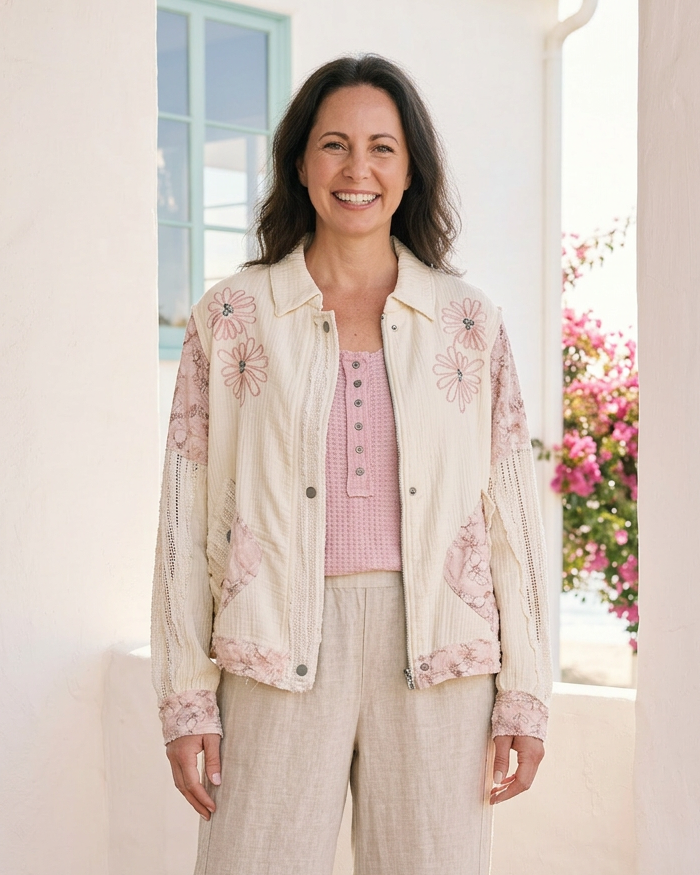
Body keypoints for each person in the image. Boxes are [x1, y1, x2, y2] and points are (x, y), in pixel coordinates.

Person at [151, 54, 552, 875]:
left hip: (441, 655)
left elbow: (513, 514)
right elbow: (185, 517)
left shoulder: (468, 324)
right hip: (272, 647)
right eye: (334, 144)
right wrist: (185, 694)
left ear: (410, 172)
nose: (357, 169)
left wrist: (527, 691)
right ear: (301, 163)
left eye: (382, 147)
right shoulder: (232, 316)